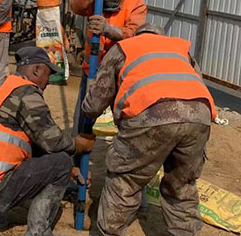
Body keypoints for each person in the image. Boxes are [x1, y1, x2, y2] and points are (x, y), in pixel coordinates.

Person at [82, 23, 217, 236]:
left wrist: (87, 110)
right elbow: (197, 84)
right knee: (182, 186)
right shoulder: (180, 49)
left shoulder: (124, 48)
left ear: (137, 35)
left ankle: (110, 232)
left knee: (126, 181)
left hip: (151, 113)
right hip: (199, 117)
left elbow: (93, 105)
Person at [0, 46, 95, 235]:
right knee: (62, 163)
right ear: (37, 70)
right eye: (48, 74)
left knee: (58, 163)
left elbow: (33, 142)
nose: (48, 81)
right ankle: (38, 231)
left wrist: (70, 171)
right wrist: (78, 145)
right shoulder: (27, 93)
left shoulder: (8, 88)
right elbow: (52, 141)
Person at [70, 0, 147, 131]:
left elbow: (135, 35)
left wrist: (109, 30)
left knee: (124, 122)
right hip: (92, 70)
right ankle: (81, 141)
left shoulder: (135, 3)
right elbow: (75, 6)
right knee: (84, 120)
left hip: (119, 74)